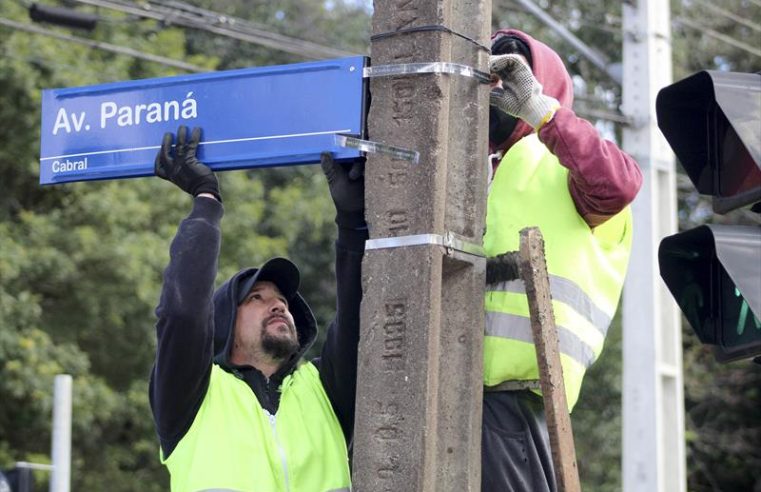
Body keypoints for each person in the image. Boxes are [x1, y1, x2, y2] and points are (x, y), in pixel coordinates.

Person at [149, 125, 366, 491]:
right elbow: (183, 313)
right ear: (225, 324)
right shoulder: (194, 397)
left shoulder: (324, 389)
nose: (279, 305)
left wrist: (353, 224)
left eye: (282, 301)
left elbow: (360, 315)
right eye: (257, 298)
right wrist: (206, 201)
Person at [482, 29, 643, 491]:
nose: (499, 91)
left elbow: (618, 183)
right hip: (444, 386)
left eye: (512, 76)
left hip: (519, 405)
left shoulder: (564, 168)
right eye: (492, 76)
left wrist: (540, 111)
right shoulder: (470, 169)